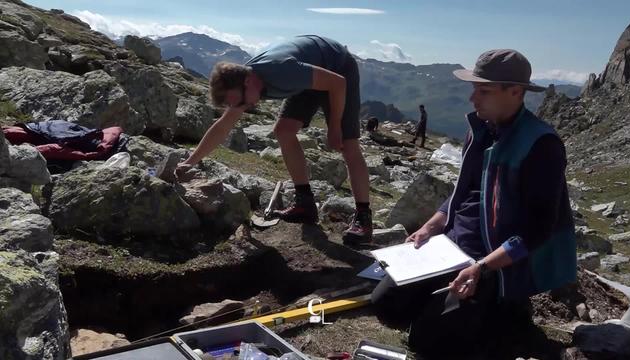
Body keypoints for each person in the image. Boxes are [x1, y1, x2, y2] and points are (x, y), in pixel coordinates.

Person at [381, 49, 577, 357]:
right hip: (451, 245)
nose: (474, 98)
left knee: (428, 341)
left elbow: (539, 228)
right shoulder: (482, 129)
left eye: (483, 90)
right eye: (474, 88)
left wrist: (481, 268)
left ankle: (505, 310)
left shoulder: (541, 145)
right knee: (386, 305)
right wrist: (431, 226)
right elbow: (464, 191)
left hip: (492, 261)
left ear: (515, 91)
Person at [175, 35, 373, 244]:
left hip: (338, 67)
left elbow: (338, 83)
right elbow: (223, 126)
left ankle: (364, 219)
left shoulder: (282, 71)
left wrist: (334, 127)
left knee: (348, 143)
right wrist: (190, 161)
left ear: (249, 81)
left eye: (241, 102)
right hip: (309, 73)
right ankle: (305, 204)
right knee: (284, 130)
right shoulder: (244, 84)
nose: (242, 107)